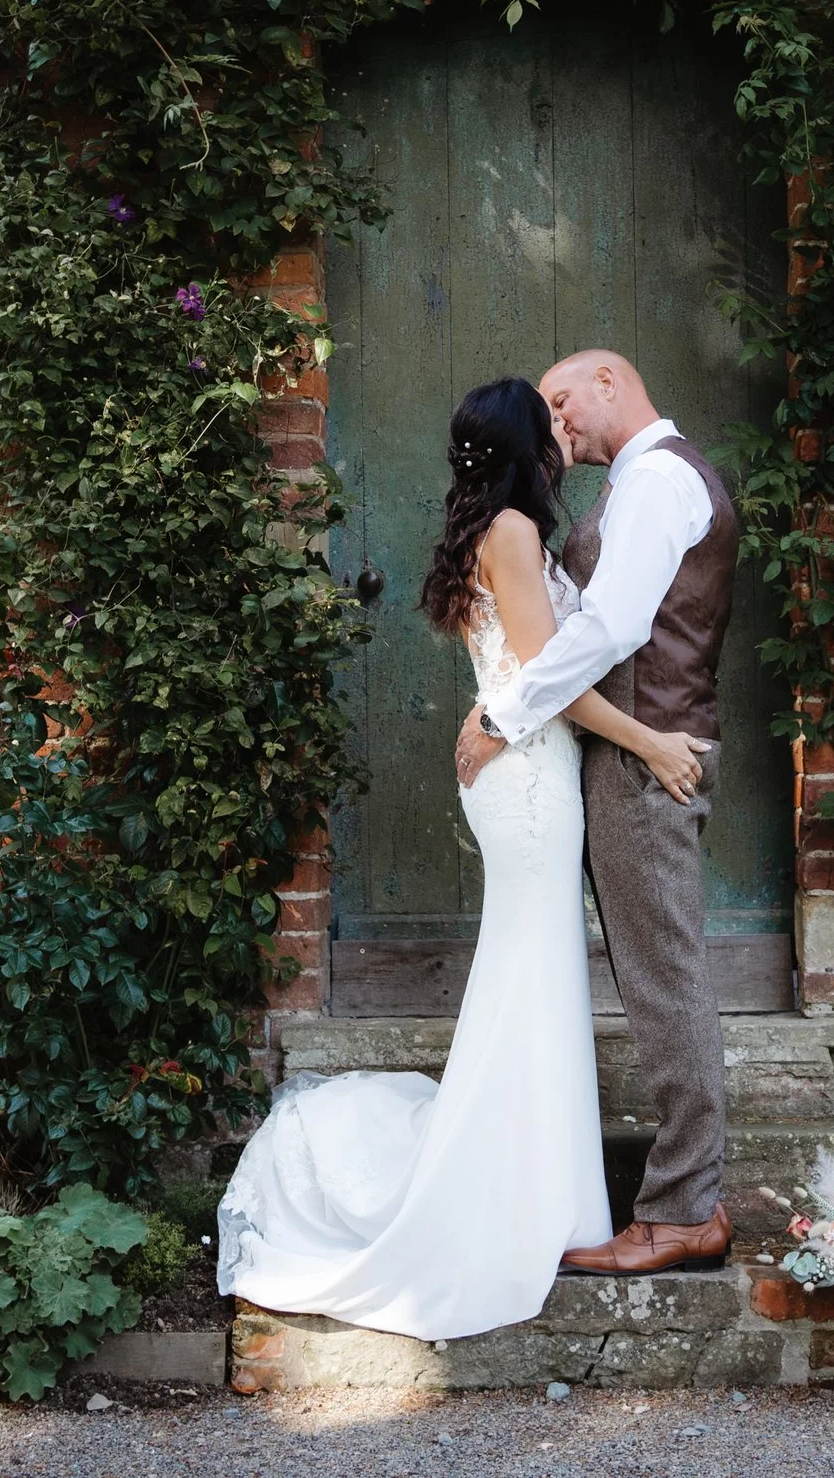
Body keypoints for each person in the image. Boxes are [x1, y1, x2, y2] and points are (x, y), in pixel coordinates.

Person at [214, 375, 709, 1339]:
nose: (566, 432)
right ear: (530, 446)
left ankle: (549, 1195)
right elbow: (555, 683)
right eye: (553, 422)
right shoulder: (516, 537)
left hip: (526, 774)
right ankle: (522, 1200)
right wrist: (652, 743)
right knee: (534, 974)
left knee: (538, 976)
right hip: (527, 785)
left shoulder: (507, 532)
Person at [456, 348, 742, 1277]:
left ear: (614, 381)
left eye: (564, 398)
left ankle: (685, 1209)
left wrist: (504, 710)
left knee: (664, 978)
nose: (557, 421)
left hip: (643, 761)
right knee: (653, 972)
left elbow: (613, 627)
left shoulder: (658, 482)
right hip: (619, 757)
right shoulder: (636, 484)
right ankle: (671, 1197)